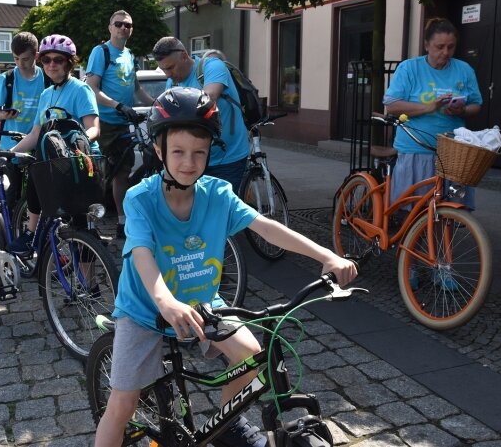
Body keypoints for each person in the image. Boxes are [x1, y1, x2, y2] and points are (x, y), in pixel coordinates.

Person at [93, 87, 357, 447]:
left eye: (199, 153)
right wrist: (166, 302)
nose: (189, 162)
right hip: (144, 311)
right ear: (159, 151)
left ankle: (227, 423)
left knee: (251, 355)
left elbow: (265, 227)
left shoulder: (217, 194)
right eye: (179, 152)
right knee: (124, 403)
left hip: (203, 304)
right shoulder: (141, 198)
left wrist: (326, 256)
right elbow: (141, 254)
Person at [8, 34, 100, 252]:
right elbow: (35, 134)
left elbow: (94, 127)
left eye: (58, 60)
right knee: (35, 168)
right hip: (56, 163)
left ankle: (91, 285)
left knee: (83, 230)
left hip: (80, 164)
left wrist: (77, 143)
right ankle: (31, 233)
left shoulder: (81, 89)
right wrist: (9, 153)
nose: (51, 65)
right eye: (46, 60)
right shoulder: (46, 94)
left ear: (69, 62)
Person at [383, 17, 483, 212]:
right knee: (413, 211)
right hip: (416, 149)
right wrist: (429, 107)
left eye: (451, 47)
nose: (445, 53)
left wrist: (462, 110)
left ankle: (440, 242)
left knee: (449, 209)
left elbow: (476, 105)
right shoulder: (410, 68)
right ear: (426, 45)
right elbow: (392, 105)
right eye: (440, 47)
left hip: (453, 152)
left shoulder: (464, 70)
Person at [86, 10, 155, 239]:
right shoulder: (101, 52)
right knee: (96, 175)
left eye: (128, 25)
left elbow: (136, 89)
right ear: (110, 27)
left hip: (123, 123)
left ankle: (122, 223)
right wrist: (118, 106)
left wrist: (158, 105)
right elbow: (92, 89)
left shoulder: (130, 55)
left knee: (122, 173)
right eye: (119, 24)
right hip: (102, 123)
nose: (123, 28)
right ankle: (89, 223)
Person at [152, 37, 249, 192]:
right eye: (164, 69)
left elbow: (210, 96)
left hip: (228, 157)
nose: (167, 74)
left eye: (170, 68)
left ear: (184, 56)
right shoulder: (173, 82)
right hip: (195, 159)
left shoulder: (212, 66)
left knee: (222, 209)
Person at [0, 32, 47, 215]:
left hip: (38, 143)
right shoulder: (7, 79)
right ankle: (9, 236)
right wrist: (5, 115)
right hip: (11, 145)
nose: (20, 64)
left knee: (37, 194)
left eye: (25, 59)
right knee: (11, 195)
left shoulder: (45, 78)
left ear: (36, 55)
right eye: (16, 58)